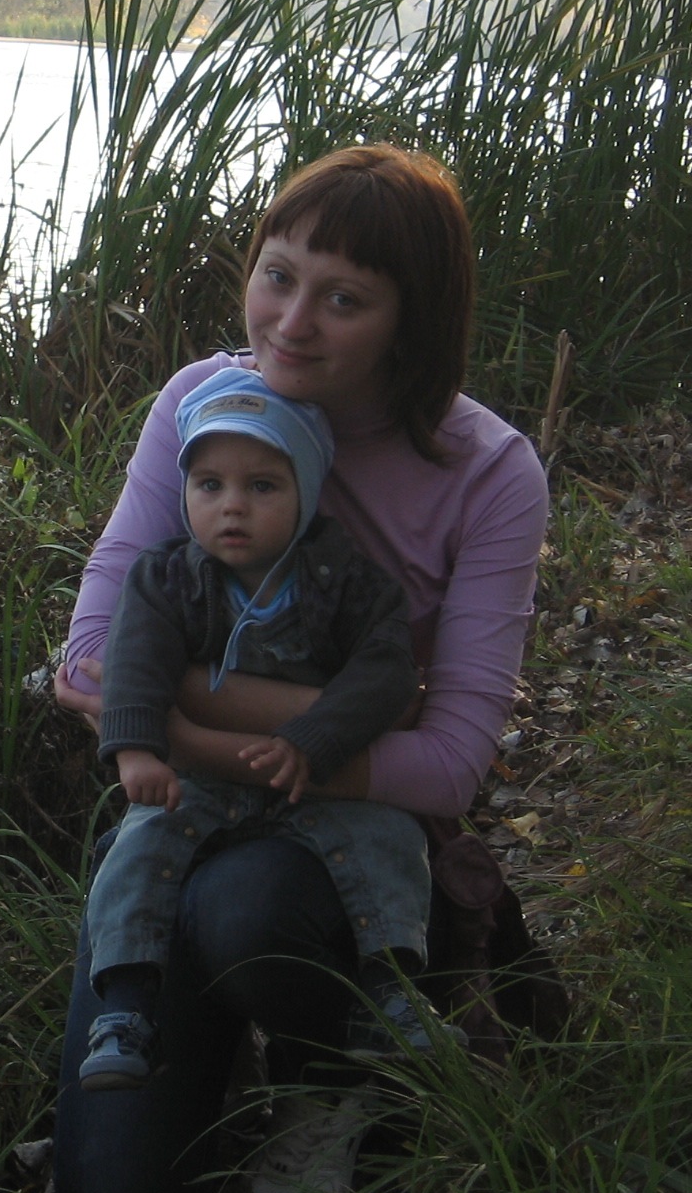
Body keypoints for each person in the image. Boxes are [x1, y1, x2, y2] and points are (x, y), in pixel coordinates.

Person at [51, 145, 548, 1193]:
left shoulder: (487, 472)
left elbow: (449, 766)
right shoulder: (199, 405)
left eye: (344, 299)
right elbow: (86, 660)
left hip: (346, 844)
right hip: (183, 817)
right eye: (277, 276)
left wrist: (179, 721)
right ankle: (206, 1066)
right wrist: (359, 715)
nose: (292, 322)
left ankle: (343, 1077)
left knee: (250, 907)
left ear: (411, 322)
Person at [78, 366, 450, 1095]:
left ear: (306, 490)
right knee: (137, 847)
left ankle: (392, 991)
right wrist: (137, 751)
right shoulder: (168, 579)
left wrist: (313, 739)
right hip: (203, 784)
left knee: (388, 840)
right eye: (209, 485)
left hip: (313, 780)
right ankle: (125, 1005)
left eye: (262, 486)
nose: (233, 506)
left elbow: (387, 675)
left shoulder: (344, 580)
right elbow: (133, 663)